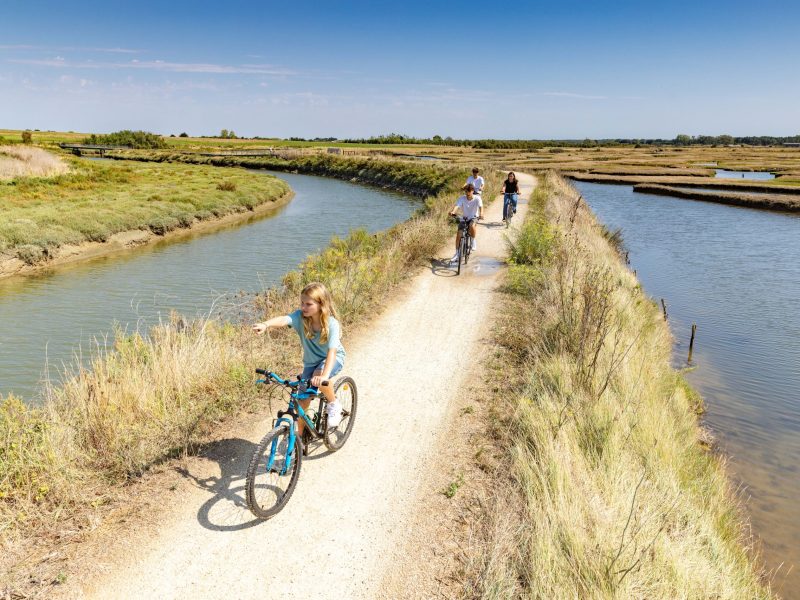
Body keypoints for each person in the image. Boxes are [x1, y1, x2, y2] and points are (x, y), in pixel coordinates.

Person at [252, 282, 346, 430]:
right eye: (302, 303)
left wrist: (324, 376)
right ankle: (300, 439)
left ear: (321, 304)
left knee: (319, 376)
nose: (303, 307)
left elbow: (332, 352)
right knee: (301, 404)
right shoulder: (300, 317)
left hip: (333, 359)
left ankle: (334, 404)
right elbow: (284, 319)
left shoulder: (332, 324)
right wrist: (266, 324)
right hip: (311, 363)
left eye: (308, 304)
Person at [448, 183, 483, 262]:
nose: (467, 193)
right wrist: (453, 212)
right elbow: (457, 206)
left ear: (472, 191)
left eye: (469, 191)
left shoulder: (477, 198)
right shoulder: (462, 198)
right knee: (459, 235)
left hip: (474, 217)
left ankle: (473, 241)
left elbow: (481, 207)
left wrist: (481, 214)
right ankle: (457, 253)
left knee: (472, 226)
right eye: (466, 191)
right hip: (464, 218)